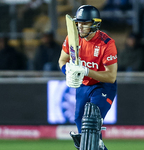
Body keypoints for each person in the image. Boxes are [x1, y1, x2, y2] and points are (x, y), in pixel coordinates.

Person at [58, 5, 117, 150]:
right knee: (83, 130)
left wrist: (85, 70)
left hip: (103, 85)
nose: (80, 27)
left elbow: (111, 76)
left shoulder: (107, 43)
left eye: (85, 23)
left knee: (91, 120)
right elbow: (62, 60)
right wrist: (69, 72)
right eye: (79, 23)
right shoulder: (72, 39)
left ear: (95, 24)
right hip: (83, 86)